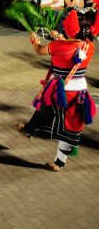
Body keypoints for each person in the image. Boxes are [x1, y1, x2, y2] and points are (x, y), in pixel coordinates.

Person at [17, 9, 97, 171]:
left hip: (59, 90)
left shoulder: (57, 46)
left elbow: (39, 50)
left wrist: (34, 40)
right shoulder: (89, 46)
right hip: (79, 92)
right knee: (71, 127)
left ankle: (29, 130)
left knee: (44, 109)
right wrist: (60, 37)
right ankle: (59, 163)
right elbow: (73, 46)